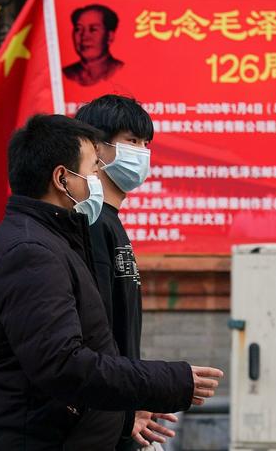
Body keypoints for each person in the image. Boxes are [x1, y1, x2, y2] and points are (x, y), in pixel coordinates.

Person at [0, 114, 223, 450]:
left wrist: (124, 415)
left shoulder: (54, 238)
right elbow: (63, 365)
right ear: (62, 178)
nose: (99, 177)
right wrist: (167, 381)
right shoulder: (30, 252)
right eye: (93, 169)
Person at [69, 94, 171, 450]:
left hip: (121, 408)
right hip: (105, 415)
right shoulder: (92, 223)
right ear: (96, 148)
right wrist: (124, 407)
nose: (141, 153)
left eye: (146, 144)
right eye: (131, 142)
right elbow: (97, 331)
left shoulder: (110, 222)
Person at [63, 4, 124, 86]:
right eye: (78, 29)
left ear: (110, 36)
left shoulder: (120, 69)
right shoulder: (66, 74)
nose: (84, 36)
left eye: (93, 29)